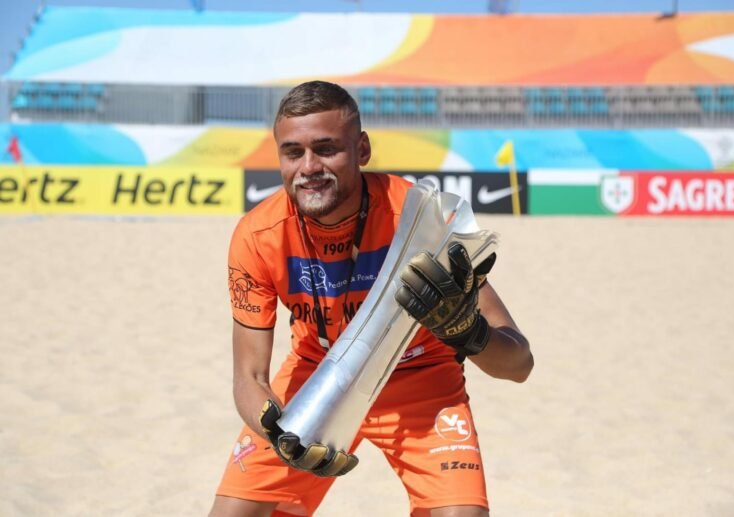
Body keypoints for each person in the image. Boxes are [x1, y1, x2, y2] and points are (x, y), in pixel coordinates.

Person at [210, 80, 533, 517]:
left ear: (361, 149)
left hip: (420, 377)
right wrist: (275, 432)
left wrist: (469, 331)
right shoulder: (258, 235)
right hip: (315, 374)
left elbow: (518, 366)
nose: (309, 167)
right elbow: (249, 375)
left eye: (326, 149)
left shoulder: (422, 221)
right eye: (293, 152)